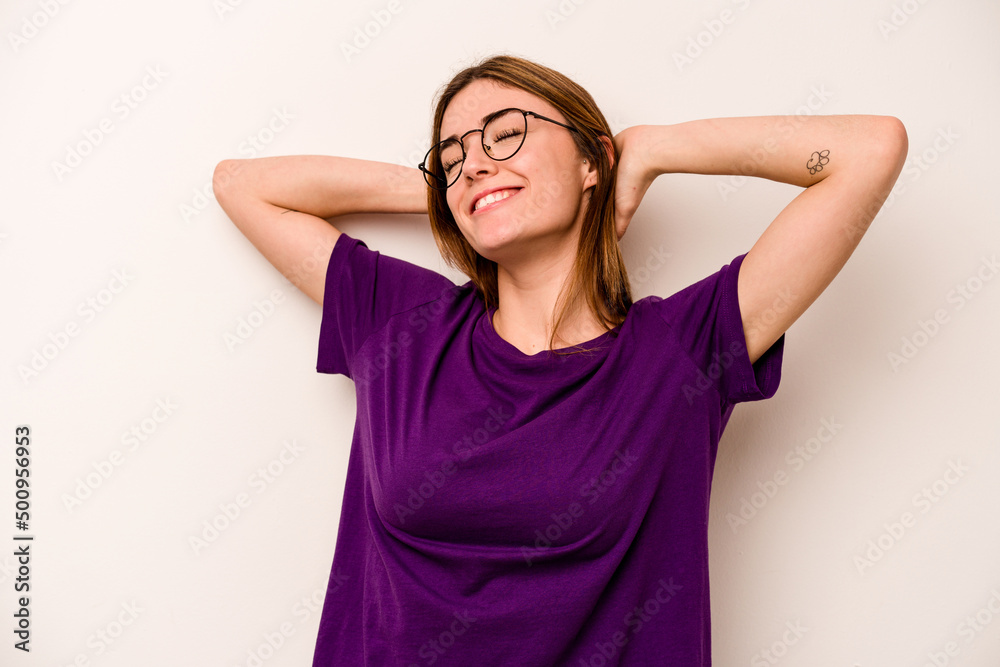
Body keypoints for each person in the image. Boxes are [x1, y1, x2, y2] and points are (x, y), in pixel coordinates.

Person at [213, 54, 907, 666]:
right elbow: (242, 184)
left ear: (590, 160)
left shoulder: (684, 350)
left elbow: (871, 150)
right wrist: (457, 195)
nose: (474, 161)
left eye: (506, 133)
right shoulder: (402, 323)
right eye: (450, 157)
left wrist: (651, 149)